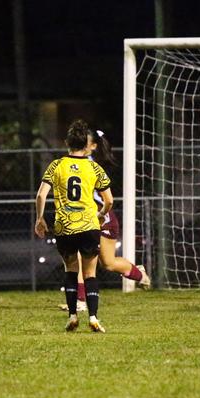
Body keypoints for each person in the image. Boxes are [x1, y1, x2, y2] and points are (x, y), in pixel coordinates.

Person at [58, 128, 151, 312]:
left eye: (84, 143)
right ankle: (81, 301)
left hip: (103, 217)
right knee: (77, 256)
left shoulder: (90, 165)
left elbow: (105, 198)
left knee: (108, 263)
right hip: (84, 218)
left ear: (92, 146)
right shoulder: (72, 163)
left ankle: (139, 275)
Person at [35, 120, 113, 332]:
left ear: (67, 142)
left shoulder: (56, 165)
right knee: (90, 274)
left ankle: (72, 316)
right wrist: (100, 214)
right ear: (86, 145)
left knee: (71, 270)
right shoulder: (94, 168)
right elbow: (109, 201)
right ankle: (94, 317)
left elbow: (41, 194)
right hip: (88, 226)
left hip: (65, 227)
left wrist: (40, 219)